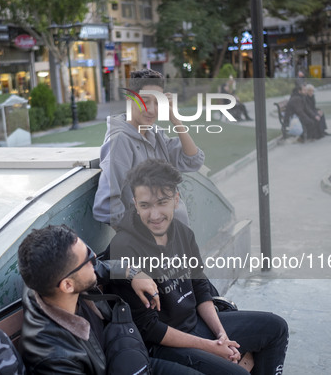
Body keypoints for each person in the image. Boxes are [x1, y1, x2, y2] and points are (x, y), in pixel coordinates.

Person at [108, 159, 289, 375]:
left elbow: (201, 287)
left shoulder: (183, 233)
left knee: (276, 327)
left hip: (196, 323)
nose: (154, 215)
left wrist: (222, 336)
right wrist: (211, 347)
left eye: (162, 202)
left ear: (176, 199)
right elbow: (149, 328)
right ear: (135, 204)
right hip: (163, 345)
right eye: (145, 205)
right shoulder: (124, 247)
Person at [17, 224, 203, 375]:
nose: (95, 257)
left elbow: (101, 267)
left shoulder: (49, 281)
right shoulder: (53, 357)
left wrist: (132, 273)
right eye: (88, 257)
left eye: (88, 249)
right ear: (67, 285)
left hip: (129, 354)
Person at [93, 68, 204, 229]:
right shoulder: (120, 140)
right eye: (145, 101)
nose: (151, 110)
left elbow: (193, 160)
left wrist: (176, 121)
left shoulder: (155, 134)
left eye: (158, 102)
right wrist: (141, 237)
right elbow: (105, 206)